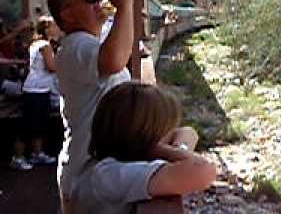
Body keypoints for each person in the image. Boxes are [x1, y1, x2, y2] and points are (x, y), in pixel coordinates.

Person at [47, 0, 133, 213]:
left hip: (91, 172)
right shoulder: (76, 44)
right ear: (68, 15)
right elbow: (115, 60)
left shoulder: (84, 45)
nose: (99, 3)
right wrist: (125, 5)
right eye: (90, 0)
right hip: (89, 176)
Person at [72, 81, 217, 213]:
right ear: (146, 137)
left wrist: (176, 150)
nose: (171, 134)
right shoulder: (109, 175)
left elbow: (188, 132)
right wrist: (160, 150)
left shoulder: (104, 166)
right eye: (166, 131)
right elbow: (205, 171)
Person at [10, 18, 59, 171]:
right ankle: (17, 158)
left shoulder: (36, 44)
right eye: (54, 26)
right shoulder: (45, 45)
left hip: (39, 89)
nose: (57, 28)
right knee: (28, 126)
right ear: (46, 29)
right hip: (35, 90)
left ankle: (37, 153)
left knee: (39, 124)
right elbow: (52, 67)